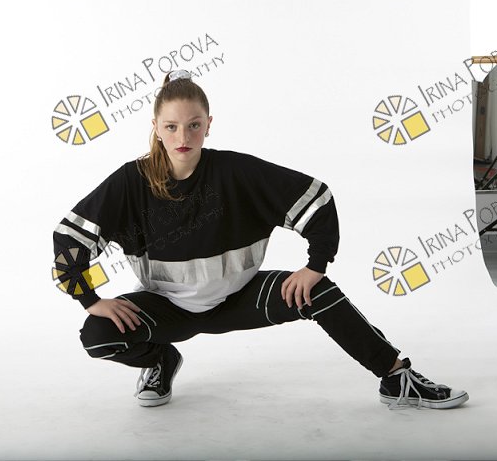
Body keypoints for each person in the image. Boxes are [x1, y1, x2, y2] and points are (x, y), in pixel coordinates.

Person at [52, 70, 469, 410]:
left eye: (194, 125)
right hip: (168, 309)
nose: (184, 137)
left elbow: (317, 198)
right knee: (98, 334)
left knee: (317, 292)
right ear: (156, 128)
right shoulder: (132, 181)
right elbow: (70, 236)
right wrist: (90, 299)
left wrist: (315, 264)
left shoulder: (235, 173)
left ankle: (396, 378)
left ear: (209, 125)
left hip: (238, 298)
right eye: (172, 126)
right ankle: (161, 359)